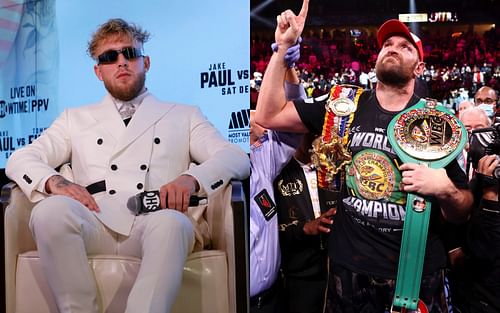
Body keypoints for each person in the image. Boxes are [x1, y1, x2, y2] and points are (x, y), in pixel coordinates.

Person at [5, 18, 249, 313]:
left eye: (129, 53)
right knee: (48, 212)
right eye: (110, 57)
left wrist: (191, 179)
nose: (121, 62)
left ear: (145, 61)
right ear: (98, 71)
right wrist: (57, 183)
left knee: (172, 222)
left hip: (154, 220)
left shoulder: (183, 115)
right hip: (94, 222)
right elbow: (21, 158)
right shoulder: (74, 118)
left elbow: (235, 157)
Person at [255, 1, 473, 311]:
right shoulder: (343, 104)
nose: (393, 48)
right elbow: (268, 115)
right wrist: (282, 50)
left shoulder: (437, 121)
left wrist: (445, 189)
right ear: (377, 58)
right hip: (349, 269)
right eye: (387, 44)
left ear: (419, 67)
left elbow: (461, 211)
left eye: (405, 46)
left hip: (414, 273)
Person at [274, 131, 336, 313]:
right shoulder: (277, 171)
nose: (315, 138)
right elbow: (270, 230)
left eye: (318, 132)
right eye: (307, 133)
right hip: (298, 274)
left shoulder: (332, 169)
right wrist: (304, 229)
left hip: (334, 271)